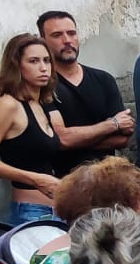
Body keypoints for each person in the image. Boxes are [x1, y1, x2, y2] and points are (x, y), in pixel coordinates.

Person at [0, 33, 65, 225]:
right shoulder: (8, 105)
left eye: (47, 61)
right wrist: (34, 179)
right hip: (30, 212)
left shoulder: (40, 104)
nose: (43, 67)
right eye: (33, 61)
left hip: (56, 211)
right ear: (17, 66)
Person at [37, 11, 134, 165]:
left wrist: (76, 140)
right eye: (57, 35)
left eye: (71, 33)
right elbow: (62, 139)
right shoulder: (42, 86)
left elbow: (122, 139)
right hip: (64, 182)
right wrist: (112, 124)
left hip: (107, 176)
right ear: (43, 41)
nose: (67, 40)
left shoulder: (104, 80)